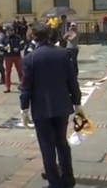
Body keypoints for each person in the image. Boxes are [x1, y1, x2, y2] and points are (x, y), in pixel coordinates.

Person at [20, 24, 82, 188]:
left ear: (34, 37)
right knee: (61, 142)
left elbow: (26, 86)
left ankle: (54, 181)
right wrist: (77, 102)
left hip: (41, 108)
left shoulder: (30, 58)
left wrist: (24, 108)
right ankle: (68, 178)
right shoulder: (63, 54)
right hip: (62, 105)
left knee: (47, 146)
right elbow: (72, 80)